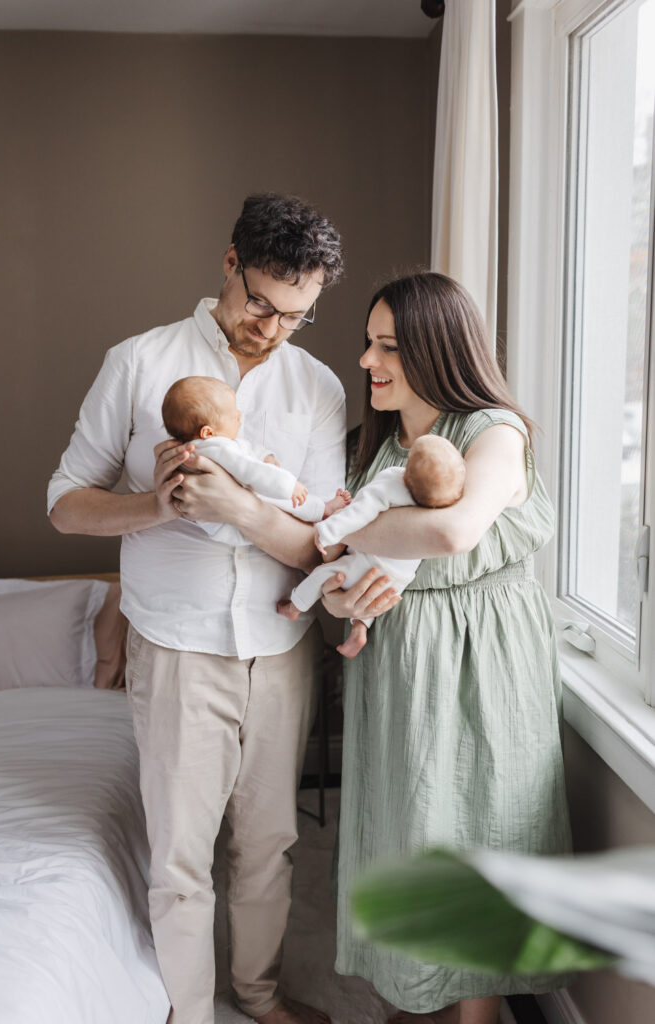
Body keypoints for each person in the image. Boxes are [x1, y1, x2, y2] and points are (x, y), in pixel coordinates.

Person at [48, 194, 399, 1024]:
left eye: (297, 317)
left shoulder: (315, 386)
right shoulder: (137, 362)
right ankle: (191, 1014)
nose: (271, 329)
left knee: (271, 847)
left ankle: (260, 995)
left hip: (279, 653)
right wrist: (157, 508)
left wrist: (239, 510)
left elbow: (318, 538)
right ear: (230, 263)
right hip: (173, 646)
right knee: (178, 860)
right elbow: (65, 503)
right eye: (261, 305)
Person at [319, 272, 573, 1024]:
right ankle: (416, 995)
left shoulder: (493, 429)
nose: (367, 361)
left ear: (438, 349)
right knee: (407, 828)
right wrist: (340, 593)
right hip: (397, 663)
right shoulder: (373, 444)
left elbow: (453, 532)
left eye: (388, 346)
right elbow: (346, 576)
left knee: (474, 831)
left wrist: (338, 530)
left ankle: (476, 1014)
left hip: (480, 659)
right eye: (367, 342)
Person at [276, 434, 465, 658]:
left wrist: (327, 531)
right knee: (370, 601)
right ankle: (360, 629)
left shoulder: (393, 482)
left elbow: (358, 512)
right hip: (399, 579)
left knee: (323, 574)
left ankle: (295, 606)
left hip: (368, 564)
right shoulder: (445, 505)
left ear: (406, 475)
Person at [161, 375, 351, 524]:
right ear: (208, 432)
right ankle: (322, 510)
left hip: (224, 508)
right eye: (232, 415)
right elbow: (250, 469)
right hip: (240, 502)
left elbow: (243, 450)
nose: (239, 416)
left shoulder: (199, 447)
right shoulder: (216, 448)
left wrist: (264, 456)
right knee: (285, 501)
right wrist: (289, 485)